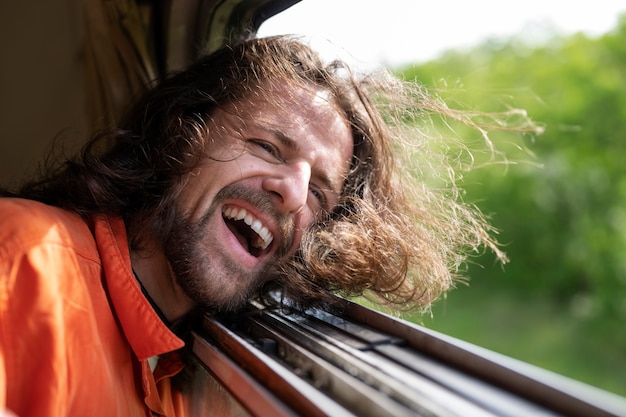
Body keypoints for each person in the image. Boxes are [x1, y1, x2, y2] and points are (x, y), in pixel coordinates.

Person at [0, 35, 517, 416]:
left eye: (319, 193)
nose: (292, 194)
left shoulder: (178, 372)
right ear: (181, 136)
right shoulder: (26, 256)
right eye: (267, 147)